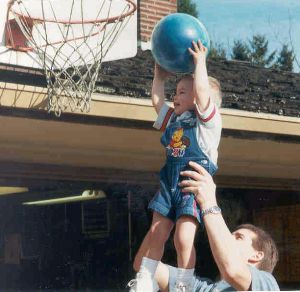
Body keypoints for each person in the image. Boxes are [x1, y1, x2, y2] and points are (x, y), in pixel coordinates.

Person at [128, 40, 222, 292]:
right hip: (169, 184)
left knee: (183, 238)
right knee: (157, 231)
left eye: (182, 92)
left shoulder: (207, 125)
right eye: (176, 91)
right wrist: (158, 78)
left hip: (190, 186)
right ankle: (145, 277)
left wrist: (200, 62)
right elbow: (158, 101)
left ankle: (184, 281)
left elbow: (202, 92)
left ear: (200, 97)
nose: (175, 96)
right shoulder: (174, 121)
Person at [132, 161, 280, 292]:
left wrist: (208, 201)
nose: (228, 236)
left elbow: (233, 271)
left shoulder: (267, 284)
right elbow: (143, 264)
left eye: (238, 237)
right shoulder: (201, 288)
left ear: (257, 256)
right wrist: (163, 217)